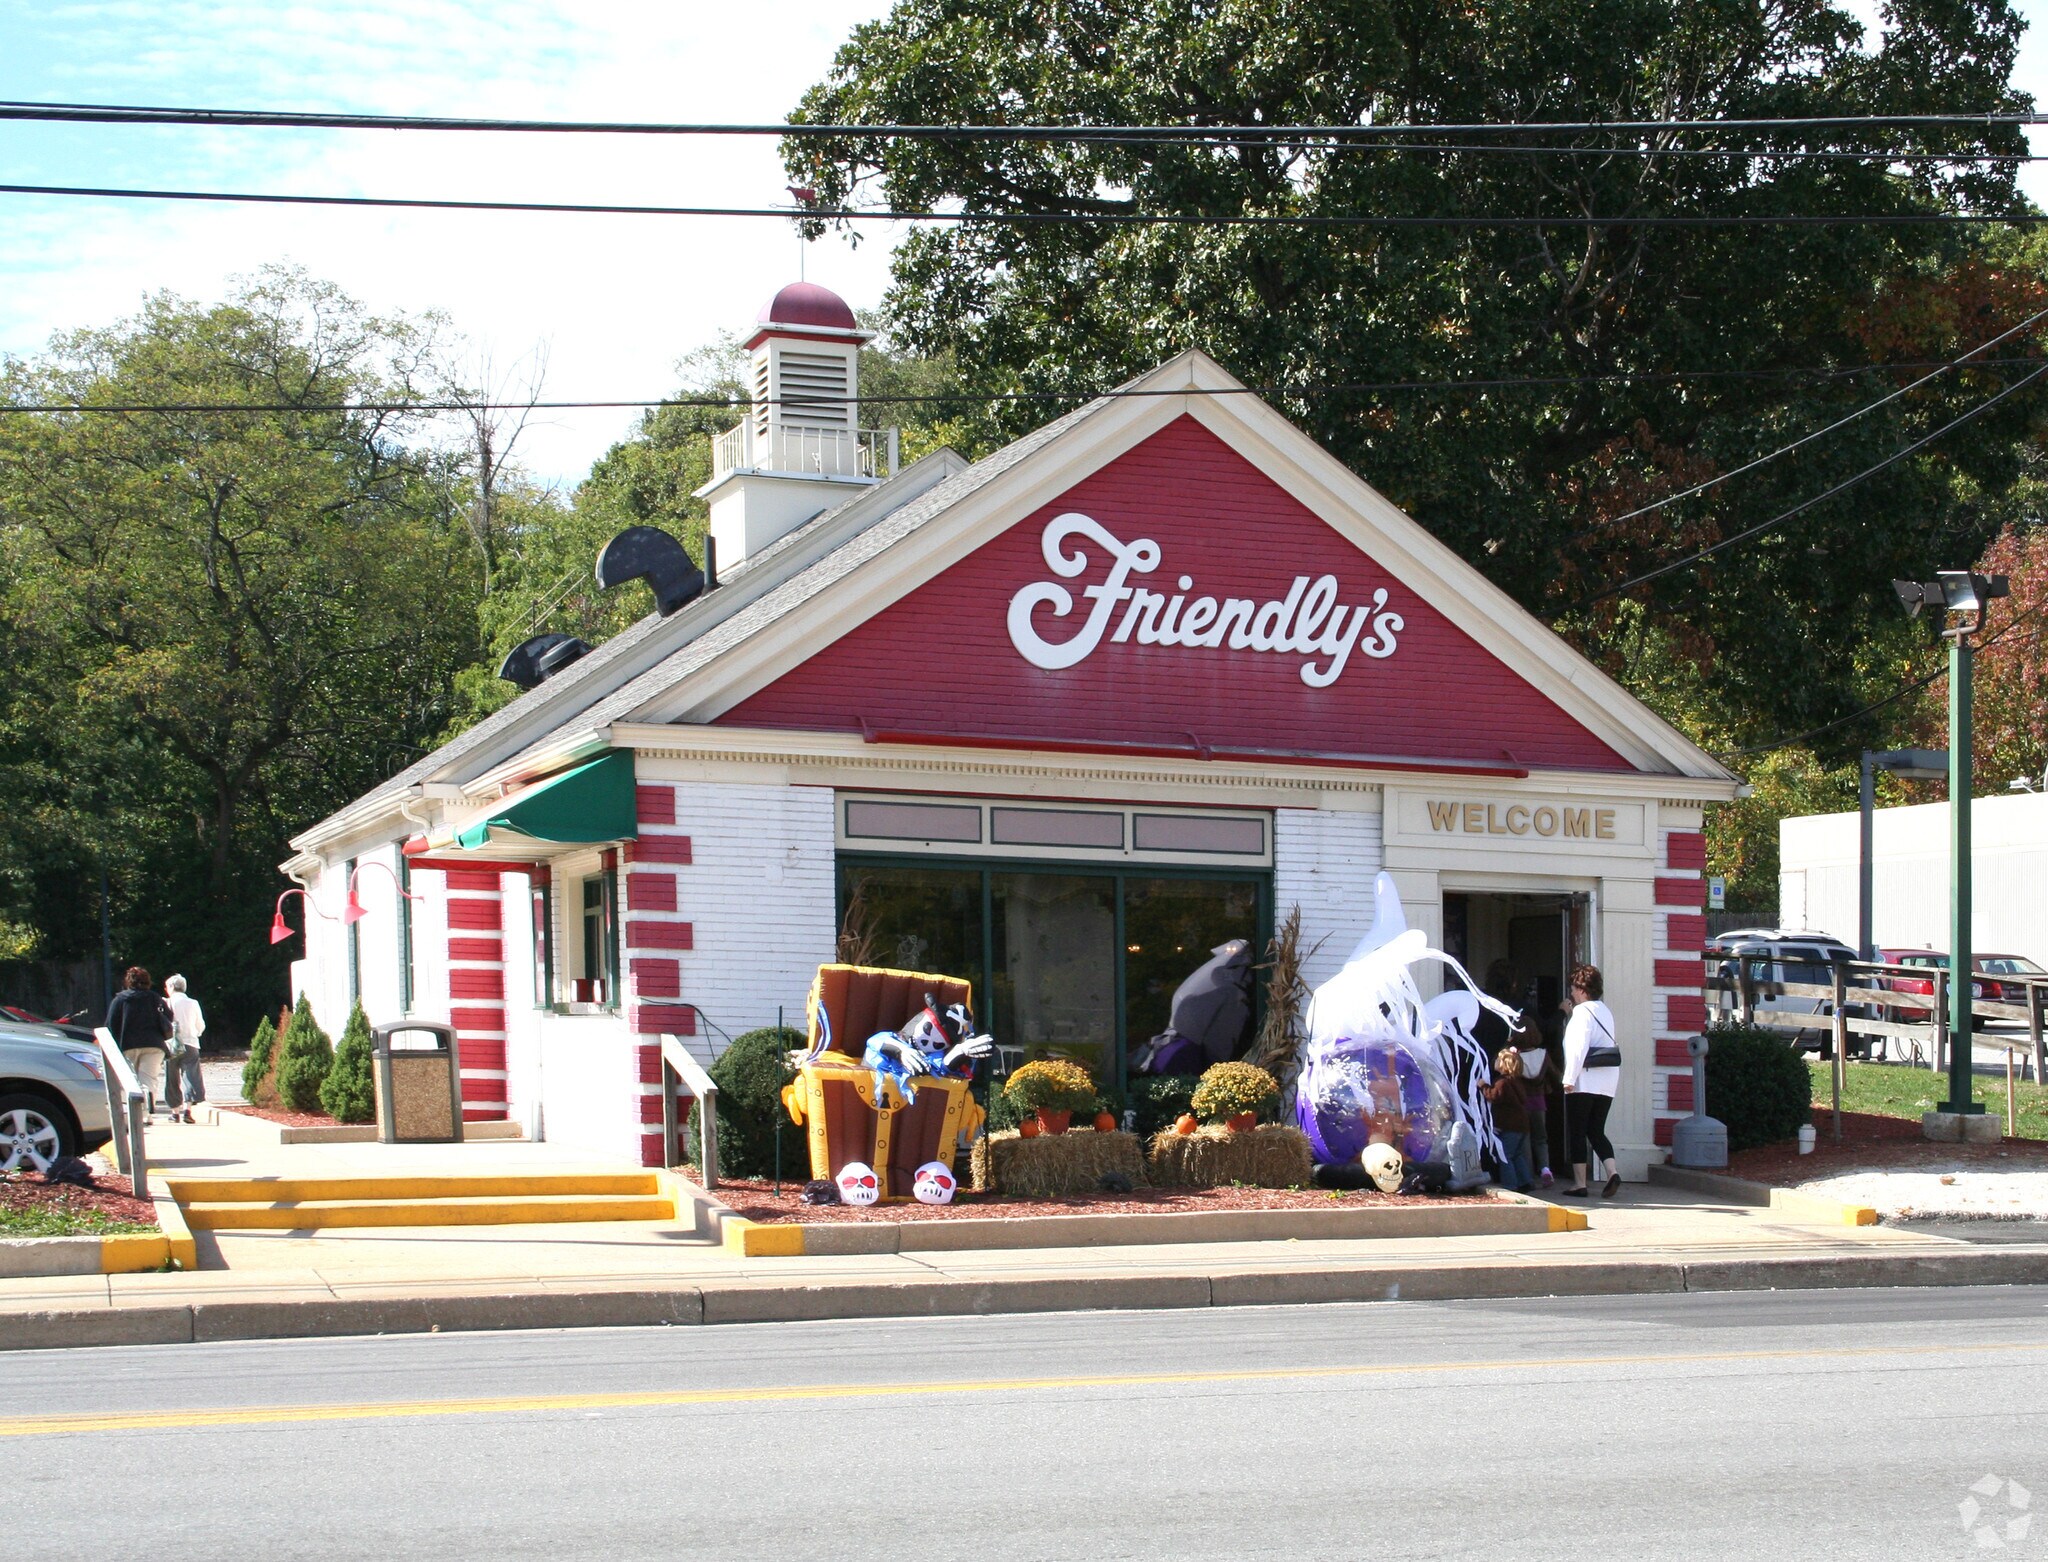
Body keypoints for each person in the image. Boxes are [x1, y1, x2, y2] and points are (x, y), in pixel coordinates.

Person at [1560, 962, 1621, 1199]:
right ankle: (1612, 1172)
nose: (1572, 993)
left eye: (1574, 989)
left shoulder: (1582, 1013)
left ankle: (1580, 1184)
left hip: (1584, 1080)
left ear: (1582, 989)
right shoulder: (1605, 1011)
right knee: (1596, 1130)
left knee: (1577, 1131)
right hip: (1608, 1080)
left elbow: (1578, 1048)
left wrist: (1569, 1078)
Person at [105, 966, 173, 1115]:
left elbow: (110, 1025)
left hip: (128, 1044)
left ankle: (134, 1115)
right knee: (148, 1080)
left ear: (128, 981)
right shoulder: (155, 998)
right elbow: (169, 1017)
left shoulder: (120, 1000)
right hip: (154, 1045)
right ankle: (147, 1114)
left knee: (130, 1081)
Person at [1483, 1045, 1535, 1192]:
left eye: (1498, 1059)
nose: (1495, 1061)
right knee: (1517, 1154)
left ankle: (1510, 1185)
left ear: (1504, 1064)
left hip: (1510, 1126)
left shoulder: (1502, 1082)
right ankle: (1526, 1181)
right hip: (1521, 1125)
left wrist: (1483, 1086)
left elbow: (1494, 1096)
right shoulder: (1517, 1081)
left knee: (1505, 1155)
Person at [163, 974, 206, 1124]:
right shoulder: (193, 1003)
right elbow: (200, 1025)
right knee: (191, 1075)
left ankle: (175, 1112)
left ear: (171, 987)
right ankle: (188, 1110)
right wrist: (195, 1034)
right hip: (190, 1043)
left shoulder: (167, 1002)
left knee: (171, 1078)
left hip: (171, 1043)